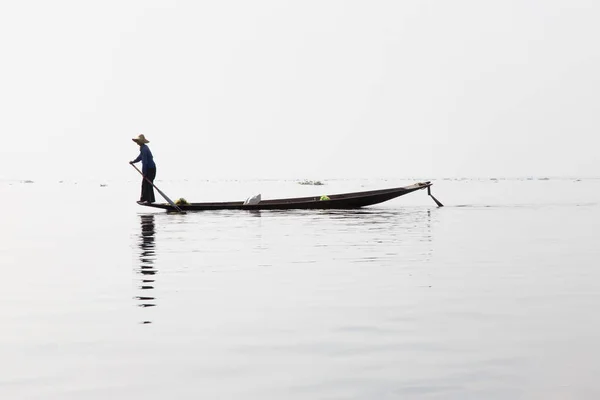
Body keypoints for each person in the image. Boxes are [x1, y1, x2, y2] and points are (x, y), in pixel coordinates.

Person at [130, 134, 156, 204]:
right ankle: (148, 199)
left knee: (147, 184)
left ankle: (148, 200)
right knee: (146, 184)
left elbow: (145, 163)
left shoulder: (144, 149)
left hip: (150, 169)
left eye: (138, 141)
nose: (137, 143)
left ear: (141, 142)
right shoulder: (143, 148)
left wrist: (144, 173)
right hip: (150, 168)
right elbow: (140, 157)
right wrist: (133, 161)